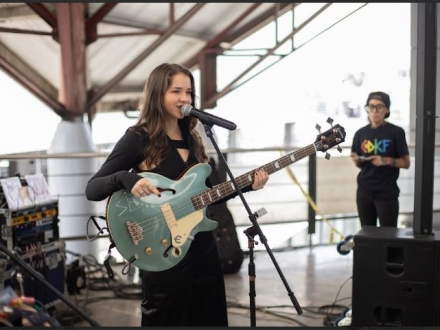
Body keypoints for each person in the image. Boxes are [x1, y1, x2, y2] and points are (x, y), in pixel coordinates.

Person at [85, 63, 269, 326]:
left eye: (189, 93)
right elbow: (93, 188)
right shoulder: (139, 137)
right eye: (176, 91)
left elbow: (209, 196)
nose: (185, 99)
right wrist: (126, 179)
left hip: (203, 246)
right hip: (163, 249)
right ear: (158, 94)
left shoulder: (195, 138)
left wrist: (250, 184)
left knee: (211, 318)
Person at [350, 91, 410, 228]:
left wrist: (386, 160)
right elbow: (359, 163)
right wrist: (357, 160)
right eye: (371, 107)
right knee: (367, 234)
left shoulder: (396, 132)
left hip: (387, 192)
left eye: (379, 107)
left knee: (388, 235)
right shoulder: (360, 133)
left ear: (387, 110)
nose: (374, 111)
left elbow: (406, 163)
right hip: (364, 191)